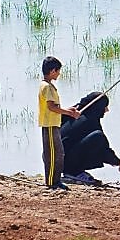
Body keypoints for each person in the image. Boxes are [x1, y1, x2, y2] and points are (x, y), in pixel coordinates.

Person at [60, 91, 120, 186]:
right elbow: (104, 149)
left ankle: (73, 170)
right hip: (66, 162)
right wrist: (119, 162)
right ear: (98, 107)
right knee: (98, 137)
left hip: (57, 161)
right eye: (105, 106)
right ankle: (73, 172)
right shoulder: (90, 121)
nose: (107, 110)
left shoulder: (71, 114)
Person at [37, 56, 80, 191]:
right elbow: (51, 107)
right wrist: (69, 113)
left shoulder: (48, 86)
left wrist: (68, 110)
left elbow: (54, 106)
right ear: (52, 71)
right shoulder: (47, 87)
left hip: (54, 124)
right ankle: (51, 182)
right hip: (49, 125)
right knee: (52, 154)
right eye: (58, 71)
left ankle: (56, 180)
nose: (59, 74)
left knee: (59, 152)